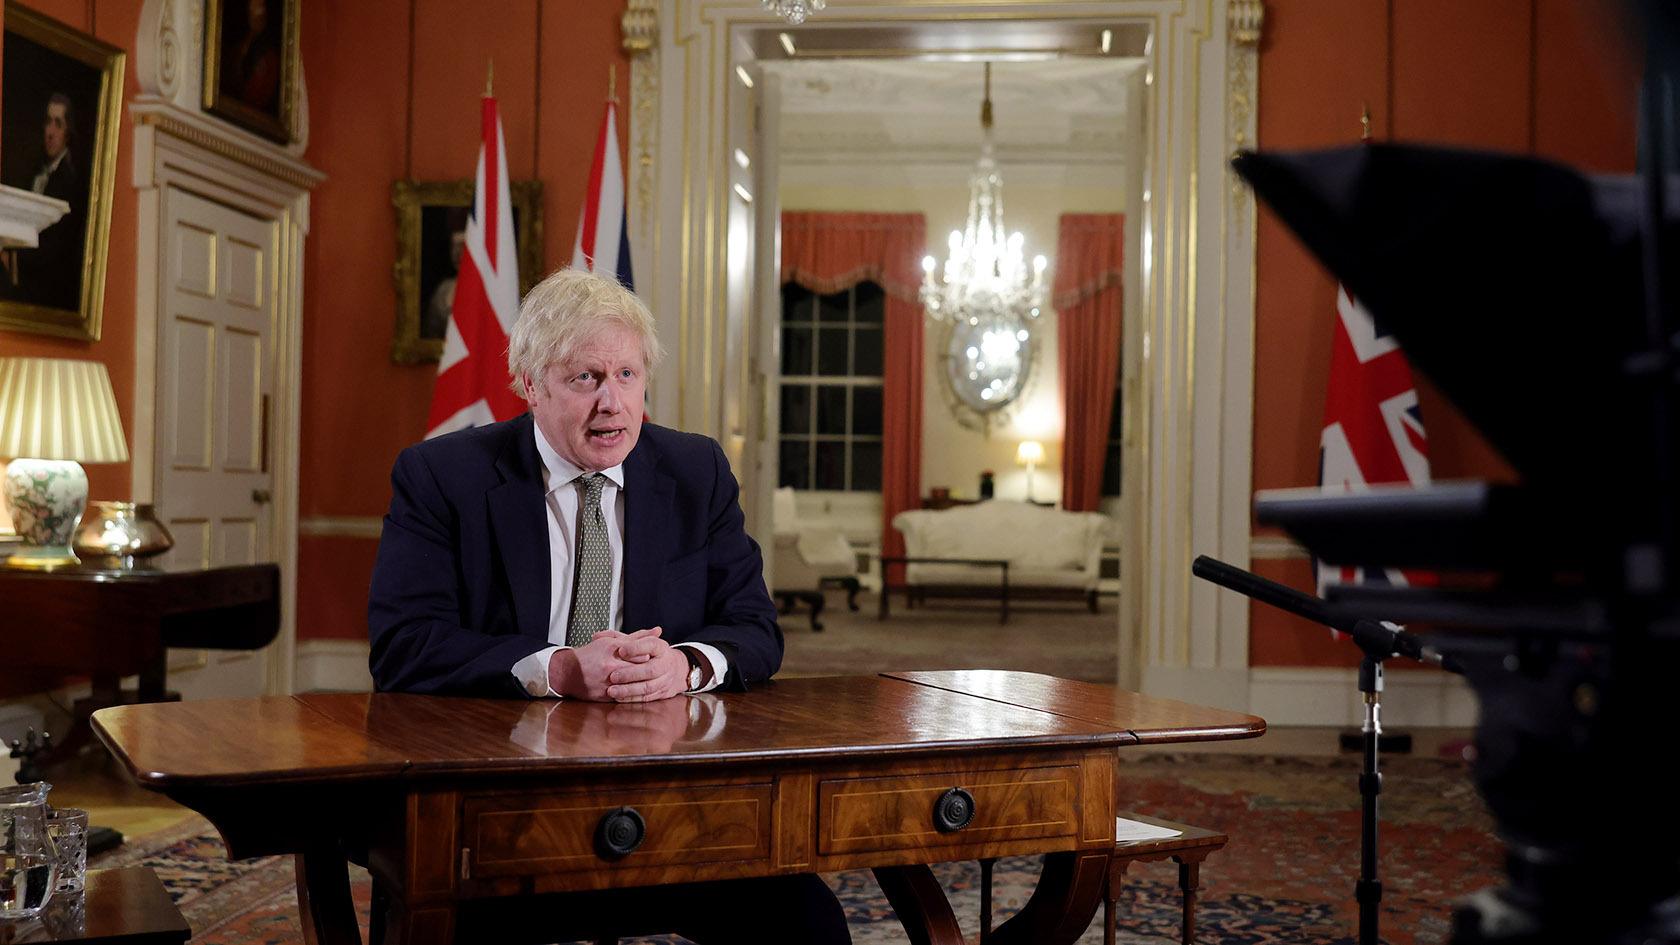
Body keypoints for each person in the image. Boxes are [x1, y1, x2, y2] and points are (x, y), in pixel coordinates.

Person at [367, 268, 850, 943]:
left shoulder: (696, 469)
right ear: (530, 385)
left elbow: (754, 629)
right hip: (502, 811)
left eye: (627, 374)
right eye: (585, 378)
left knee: (807, 921)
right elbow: (402, 646)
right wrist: (560, 668)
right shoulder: (443, 476)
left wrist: (684, 663)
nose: (613, 404)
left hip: (675, 804)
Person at [2, 92, 83, 309]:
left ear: (68, 133)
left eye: (58, 124)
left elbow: (58, 246)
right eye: (48, 122)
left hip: (48, 287)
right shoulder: (36, 173)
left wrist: (15, 260)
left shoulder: (69, 181)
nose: (50, 132)